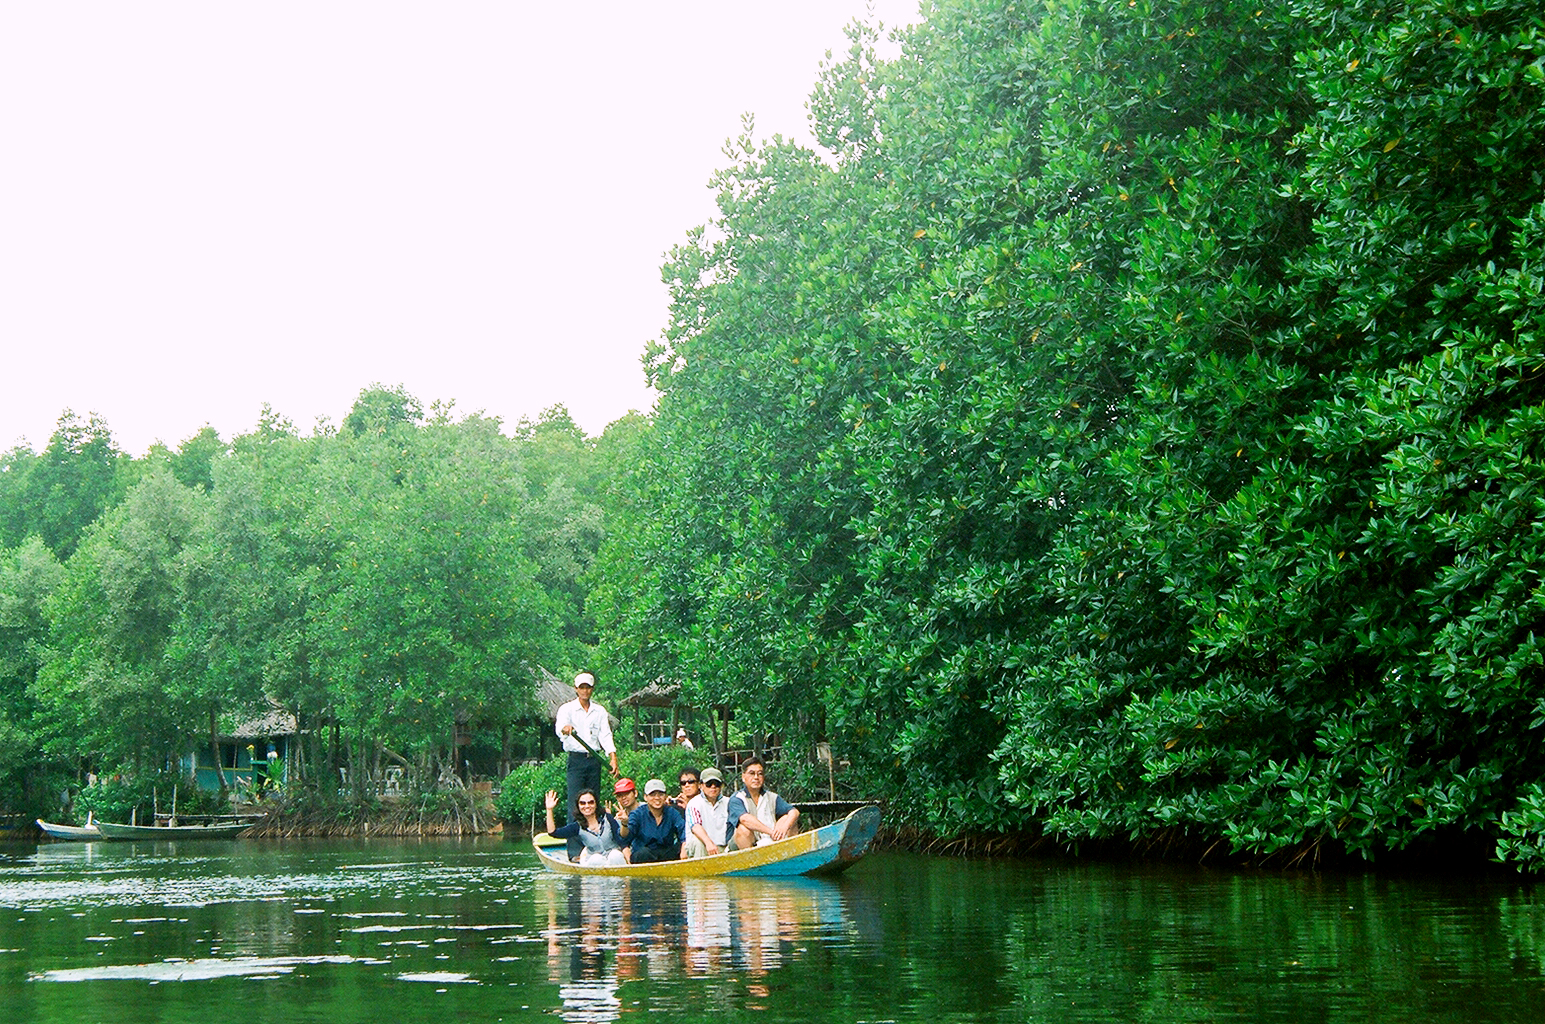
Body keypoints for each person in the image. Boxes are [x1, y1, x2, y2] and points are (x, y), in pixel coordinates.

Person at [555, 672, 618, 859]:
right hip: (576, 759)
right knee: (576, 803)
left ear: (592, 689)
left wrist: (612, 757)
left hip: (594, 760)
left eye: (588, 687)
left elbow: (605, 736)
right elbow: (560, 729)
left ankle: (598, 847)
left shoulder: (599, 711)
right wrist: (566, 730)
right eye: (581, 687)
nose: (585, 690)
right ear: (576, 689)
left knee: (593, 803)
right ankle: (574, 852)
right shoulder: (566, 709)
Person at [728, 758, 799, 850]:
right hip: (744, 845)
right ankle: (750, 862)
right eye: (752, 773)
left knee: (787, 818)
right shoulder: (736, 799)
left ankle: (790, 854)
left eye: (760, 774)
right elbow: (745, 819)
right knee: (743, 829)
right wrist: (770, 832)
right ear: (743, 777)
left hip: (769, 840)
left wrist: (784, 827)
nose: (756, 777)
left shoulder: (772, 797)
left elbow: (794, 812)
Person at [544, 788, 626, 866]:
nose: (587, 806)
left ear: (596, 804)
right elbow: (553, 832)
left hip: (614, 859)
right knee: (596, 859)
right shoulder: (577, 826)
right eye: (582, 803)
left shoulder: (607, 818)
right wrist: (549, 810)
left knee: (615, 855)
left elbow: (622, 842)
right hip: (594, 861)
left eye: (590, 802)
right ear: (578, 806)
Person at [625, 779, 686, 863]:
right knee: (643, 853)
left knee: (683, 846)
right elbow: (625, 838)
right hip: (644, 856)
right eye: (652, 795)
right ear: (645, 797)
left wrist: (684, 847)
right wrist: (624, 824)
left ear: (665, 796)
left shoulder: (672, 812)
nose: (657, 798)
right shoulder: (637, 814)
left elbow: (683, 829)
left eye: (660, 794)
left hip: (665, 854)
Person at [684, 767, 731, 858]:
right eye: (709, 784)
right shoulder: (694, 803)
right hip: (701, 847)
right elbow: (695, 826)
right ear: (701, 785)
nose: (713, 787)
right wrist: (708, 843)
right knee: (698, 842)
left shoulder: (729, 802)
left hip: (723, 847)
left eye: (717, 784)